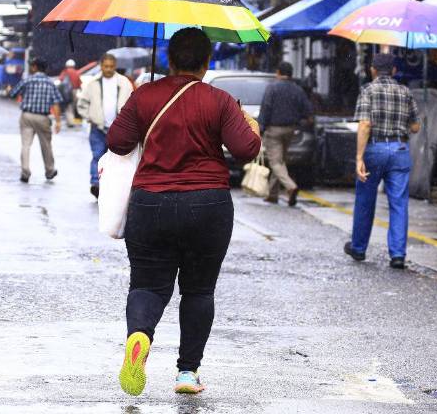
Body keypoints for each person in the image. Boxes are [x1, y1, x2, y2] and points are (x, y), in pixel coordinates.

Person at [106, 28, 261, 397]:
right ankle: (187, 373)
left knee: (147, 285)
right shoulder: (220, 100)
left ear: (169, 60)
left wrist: (144, 116)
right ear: (207, 63)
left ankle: (139, 337)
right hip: (207, 205)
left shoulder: (145, 95)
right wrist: (250, 123)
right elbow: (246, 148)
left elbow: (116, 142)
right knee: (199, 290)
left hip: (150, 203)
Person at [345, 52, 421, 270]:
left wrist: (359, 157)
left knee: (365, 200)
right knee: (398, 204)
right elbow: (416, 127)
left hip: (375, 149)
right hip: (399, 149)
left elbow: (365, 125)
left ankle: (359, 248)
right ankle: (397, 255)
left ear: (373, 70)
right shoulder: (405, 92)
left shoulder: (368, 90)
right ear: (395, 71)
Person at [77, 53, 133, 198]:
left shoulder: (124, 83)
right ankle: (96, 184)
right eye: (106, 66)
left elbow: (133, 103)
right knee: (97, 155)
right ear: (101, 66)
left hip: (118, 129)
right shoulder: (92, 83)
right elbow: (82, 104)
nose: (108, 69)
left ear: (115, 66)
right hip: (98, 127)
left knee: (117, 159)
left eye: (111, 66)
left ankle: (112, 185)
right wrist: (90, 117)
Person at [257, 61, 313, 206]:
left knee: (275, 162)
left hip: (273, 130)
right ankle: (273, 194)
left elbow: (266, 108)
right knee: (280, 161)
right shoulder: (297, 89)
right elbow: (308, 110)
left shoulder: (272, 88)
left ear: (278, 72)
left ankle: (290, 186)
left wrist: (260, 128)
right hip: (290, 130)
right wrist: (302, 122)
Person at [9, 57, 62, 183]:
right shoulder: (50, 83)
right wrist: (58, 121)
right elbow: (56, 104)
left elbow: (13, 93)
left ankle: (25, 172)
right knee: (46, 145)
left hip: (26, 116)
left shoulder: (27, 80)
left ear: (35, 67)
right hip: (43, 118)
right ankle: (49, 171)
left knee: (26, 145)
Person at [58, 59, 82, 127]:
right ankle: (77, 120)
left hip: (67, 92)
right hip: (75, 91)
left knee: (68, 107)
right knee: (74, 106)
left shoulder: (65, 72)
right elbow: (79, 83)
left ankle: (70, 122)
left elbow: (61, 79)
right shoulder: (76, 72)